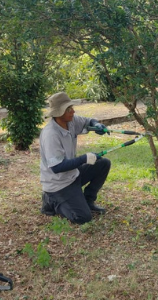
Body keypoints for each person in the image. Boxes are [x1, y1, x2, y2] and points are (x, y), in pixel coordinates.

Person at [39, 91, 112, 224]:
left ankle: (88, 201)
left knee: (103, 164)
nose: (73, 111)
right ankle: (51, 201)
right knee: (83, 217)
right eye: (68, 109)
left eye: (71, 107)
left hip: (73, 175)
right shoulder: (51, 134)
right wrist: (84, 158)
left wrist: (96, 125)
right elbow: (57, 167)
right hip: (58, 184)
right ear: (59, 113)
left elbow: (88, 121)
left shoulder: (70, 121)